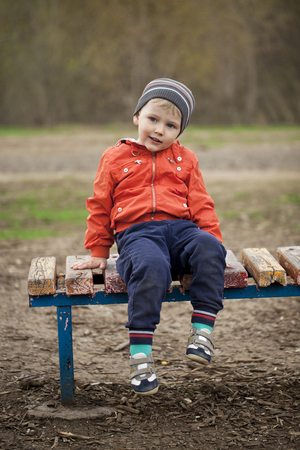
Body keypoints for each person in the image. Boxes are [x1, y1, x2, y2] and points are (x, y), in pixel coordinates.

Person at [71, 78, 227, 396]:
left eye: (170, 125)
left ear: (179, 132)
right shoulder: (115, 158)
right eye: (153, 119)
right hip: (138, 234)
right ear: (136, 117)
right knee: (152, 266)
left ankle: (202, 331)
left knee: (210, 247)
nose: (159, 130)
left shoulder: (186, 159)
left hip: (182, 231)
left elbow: (201, 203)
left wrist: (212, 242)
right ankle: (141, 355)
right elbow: (100, 206)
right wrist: (99, 251)